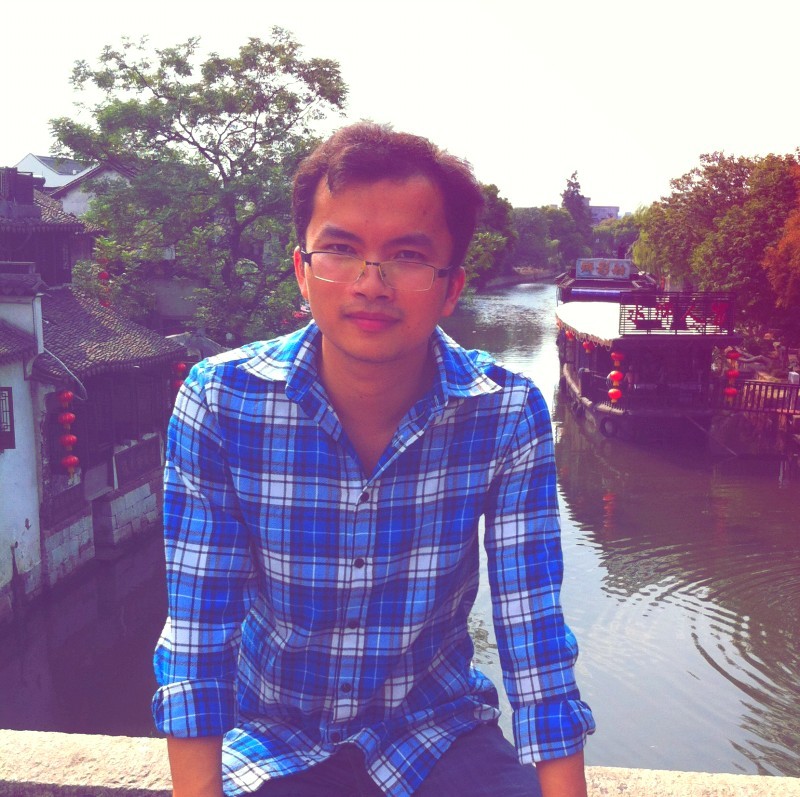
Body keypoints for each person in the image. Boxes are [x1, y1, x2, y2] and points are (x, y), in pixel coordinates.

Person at [153, 122, 595, 797]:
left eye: (408, 256)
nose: (370, 283)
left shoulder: (505, 412)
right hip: (273, 734)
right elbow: (197, 630)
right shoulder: (221, 400)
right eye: (340, 250)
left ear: (452, 287)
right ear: (303, 271)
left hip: (437, 730)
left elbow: (531, 627)